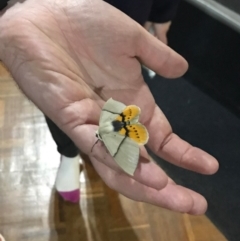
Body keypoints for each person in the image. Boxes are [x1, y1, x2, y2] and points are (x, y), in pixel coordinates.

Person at [0, 0, 219, 215]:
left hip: (126, 22)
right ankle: (68, 153)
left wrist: (163, 10)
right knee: (59, 102)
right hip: (48, 26)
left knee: (123, 82)